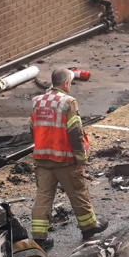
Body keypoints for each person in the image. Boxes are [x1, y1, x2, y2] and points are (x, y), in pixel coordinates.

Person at [30, 68, 106, 246]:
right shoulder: (68, 102)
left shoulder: (36, 102)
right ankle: (89, 227)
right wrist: (81, 160)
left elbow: (33, 129)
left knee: (43, 196)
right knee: (77, 192)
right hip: (64, 159)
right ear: (65, 84)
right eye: (70, 83)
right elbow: (75, 132)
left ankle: (40, 237)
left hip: (42, 158)